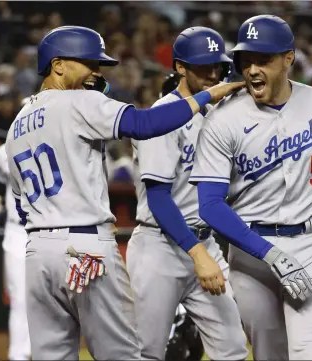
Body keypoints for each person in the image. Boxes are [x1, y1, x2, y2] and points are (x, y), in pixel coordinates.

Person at [4, 25, 244, 360]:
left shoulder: (18, 122)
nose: (96, 73)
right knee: (126, 355)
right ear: (57, 65)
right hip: (85, 245)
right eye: (89, 63)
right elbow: (145, 125)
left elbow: (19, 200)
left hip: (38, 251)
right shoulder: (80, 101)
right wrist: (207, 96)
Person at [189, 15, 312, 360]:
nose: (251, 70)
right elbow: (209, 205)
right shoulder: (222, 118)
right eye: (245, 61)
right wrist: (269, 253)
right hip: (251, 249)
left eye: (262, 60)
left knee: (310, 353)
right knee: (269, 356)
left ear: (288, 58)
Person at [126, 27, 248, 361]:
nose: (212, 74)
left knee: (233, 348)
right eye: (202, 67)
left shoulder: (220, 118)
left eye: (218, 66)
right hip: (159, 248)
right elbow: (159, 198)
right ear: (180, 67)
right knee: (146, 352)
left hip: (204, 242)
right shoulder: (161, 116)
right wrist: (198, 255)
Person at [0, 143, 31, 360]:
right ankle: (19, 355)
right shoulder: (5, 149)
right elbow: (0, 174)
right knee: (20, 299)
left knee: (53, 298)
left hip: (47, 230)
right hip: (17, 232)